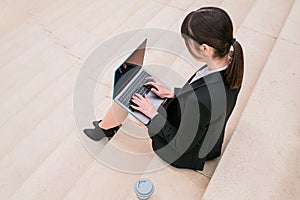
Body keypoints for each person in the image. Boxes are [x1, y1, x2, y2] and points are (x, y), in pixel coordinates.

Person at [84, 7, 244, 170]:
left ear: (205, 49)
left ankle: (105, 128)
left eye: (188, 41)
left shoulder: (202, 100)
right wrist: (174, 94)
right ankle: (107, 126)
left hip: (183, 153)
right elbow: (204, 102)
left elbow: (179, 144)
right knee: (133, 91)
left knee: (128, 94)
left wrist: (152, 114)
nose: (186, 45)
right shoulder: (231, 64)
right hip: (202, 134)